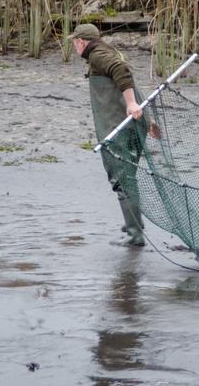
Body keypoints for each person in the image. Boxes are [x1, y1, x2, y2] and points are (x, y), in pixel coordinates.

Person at [69, 23, 149, 247]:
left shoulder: (98, 56)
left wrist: (132, 104)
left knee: (122, 181)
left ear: (81, 42)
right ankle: (134, 222)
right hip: (133, 124)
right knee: (128, 178)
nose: (74, 46)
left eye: (74, 42)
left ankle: (135, 236)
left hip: (120, 128)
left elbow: (121, 71)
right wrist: (148, 121)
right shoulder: (106, 51)